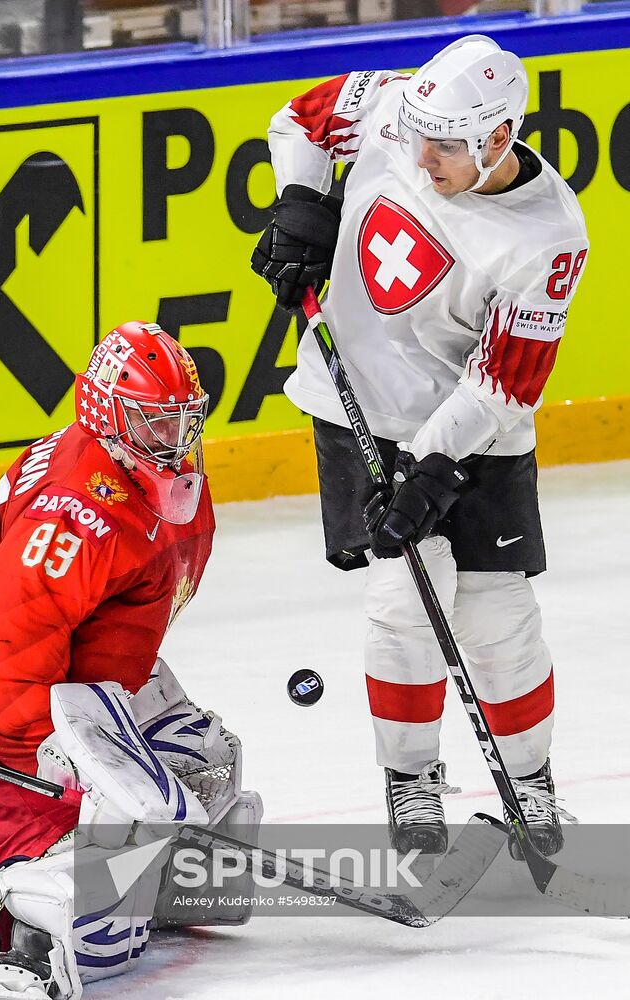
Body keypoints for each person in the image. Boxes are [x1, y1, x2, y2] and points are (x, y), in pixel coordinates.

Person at [252, 35, 588, 857]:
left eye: (445, 147)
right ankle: (409, 780)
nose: (420, 157)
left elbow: (502, 385)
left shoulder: (547, 236)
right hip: (357, 406)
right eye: (418, 137)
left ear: (498, 137)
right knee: (404, 602)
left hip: (472, 432)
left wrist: (430, 468)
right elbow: (298, 119)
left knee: (497, 616)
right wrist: (300, 200)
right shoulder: (397, 105)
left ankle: (529, 784)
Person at [0, 321, 262, 998]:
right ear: (107, 417)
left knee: (197, 765)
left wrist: (123, 751)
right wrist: (74, 765)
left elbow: (107, 637)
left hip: (39, 683)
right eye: (154, 422)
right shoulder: (72, 516)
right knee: (87, 917)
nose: (175, 439)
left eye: (184, 420)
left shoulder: (141, 475)